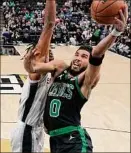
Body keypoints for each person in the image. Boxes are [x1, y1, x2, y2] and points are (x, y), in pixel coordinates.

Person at [24, 5, 128, 153]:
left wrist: (116, 31)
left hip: (74, 140)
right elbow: (33, 68)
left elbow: (97, 53)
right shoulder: (60, 68)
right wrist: (30, 59)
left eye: (84, 57)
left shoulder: (87, 80)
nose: (78, 58)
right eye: (77, 54)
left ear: (89, 62)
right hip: (55, 140)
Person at [10, 0, 57, 152]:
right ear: (35, 57)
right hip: (27, 132)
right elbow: (49, 23)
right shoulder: (36, 74)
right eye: (43, 54)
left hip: (34, 131)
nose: (46, 55)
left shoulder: (44, 75)